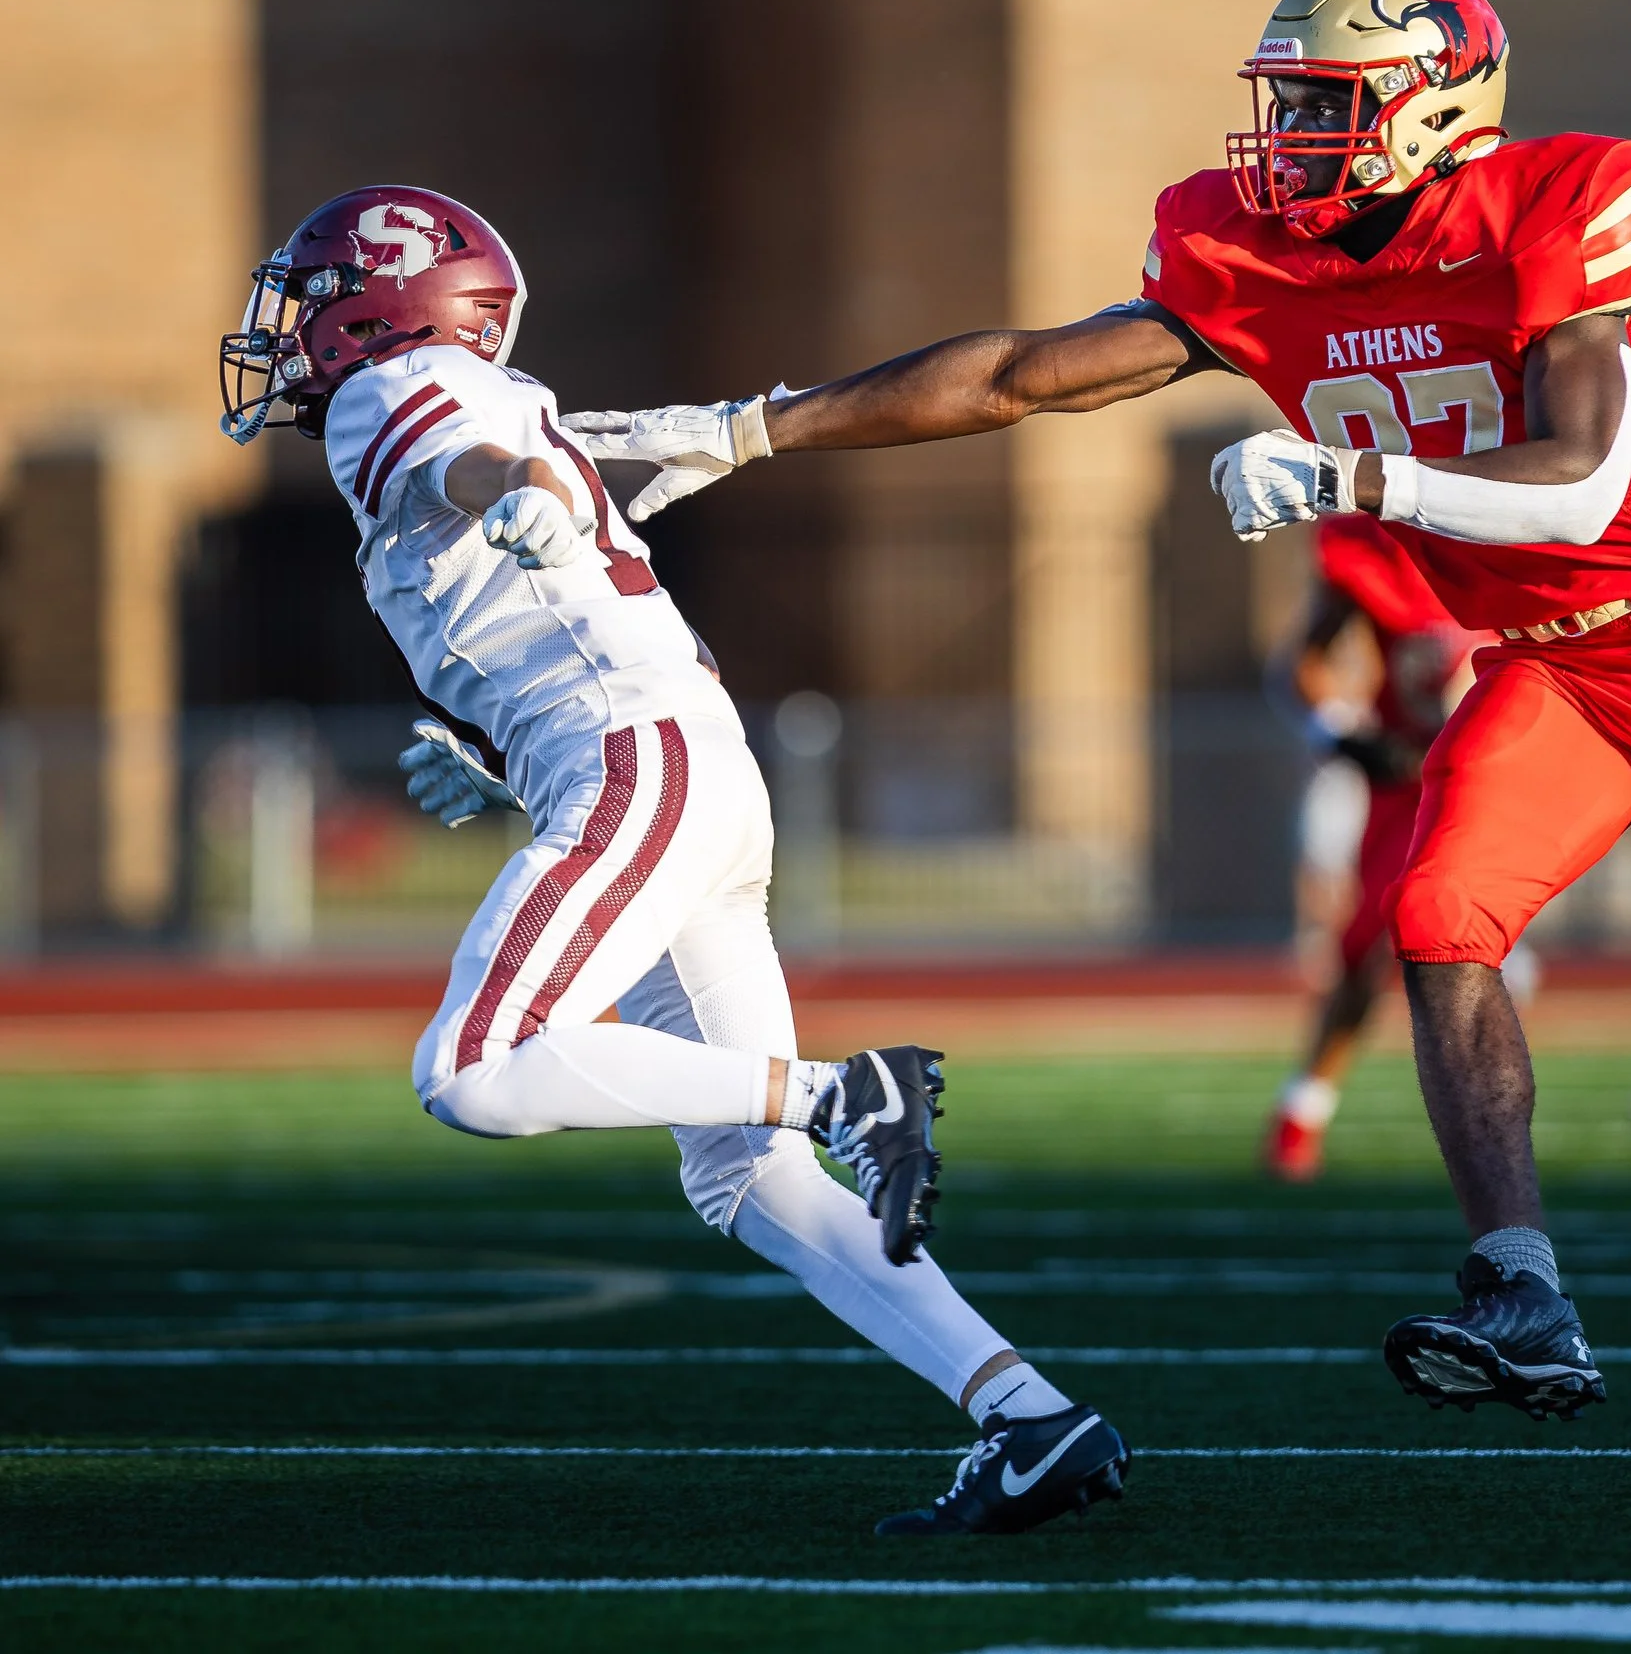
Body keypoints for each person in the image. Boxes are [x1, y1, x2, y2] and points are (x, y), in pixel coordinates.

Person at [565, 0, 1631, 1422]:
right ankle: (1526, 1291)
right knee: (1434, 925)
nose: (1282, 138)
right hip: (1553, 663)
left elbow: (1576, 482)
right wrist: (746, 428)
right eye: (1282, 102)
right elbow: (1015, 374)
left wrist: (1361, 480)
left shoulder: (1554, 210)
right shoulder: (1253, 256)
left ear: (1438, 113)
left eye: (1325, 104)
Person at [215, 185, 1126, 1534]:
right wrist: (489, 748)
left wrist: (513, 491)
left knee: (473, 1073)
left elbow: (478, 468)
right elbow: (538, 571)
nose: (286, 340)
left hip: (634, 760)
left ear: (382, 301)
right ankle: (1030, 1417)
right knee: (740, 1174)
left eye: (307, 304)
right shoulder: (470, 395)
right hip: (672, 763)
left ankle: (846, 1091)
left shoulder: (398, 388)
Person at [1266, 512, 1531, 1181]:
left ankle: (1488, 1127)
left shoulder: (1512, 525)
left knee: (1453, 944)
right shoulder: (1370, 550)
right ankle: (1304, 1105)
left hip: (1502, 774)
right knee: (1368, 953)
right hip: (1410, 782)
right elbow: (1305, 663)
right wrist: (1342, 736)